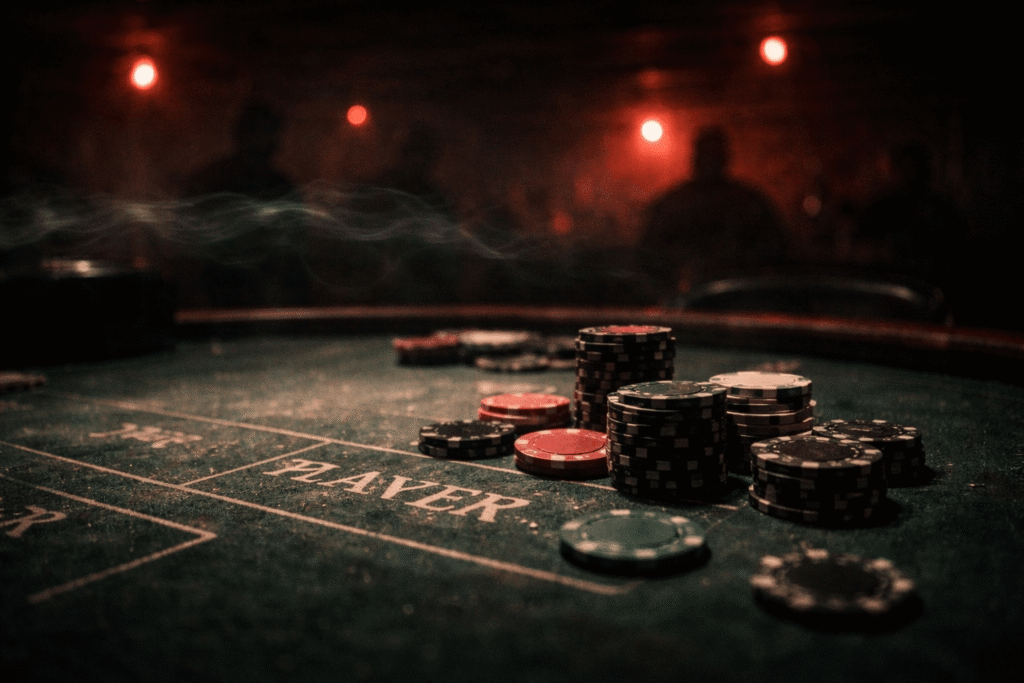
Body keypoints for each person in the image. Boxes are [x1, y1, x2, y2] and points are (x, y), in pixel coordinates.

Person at [184, 103, 310, 307]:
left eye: (267, 134)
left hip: (250, 298)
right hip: (223, 294)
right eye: (259, 133)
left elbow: (293, 256)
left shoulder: (280, 188)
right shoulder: (213, 181)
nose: (268, 143)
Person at [640, 127, 786, 299]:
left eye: (714, 154)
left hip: (740, 296)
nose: (710, 161)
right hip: (685, 300)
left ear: (725, 158)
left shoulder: (748, 203)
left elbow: (777, 252)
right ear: (695, 158)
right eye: (705, 154)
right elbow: (648, 255)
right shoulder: (673, 205)